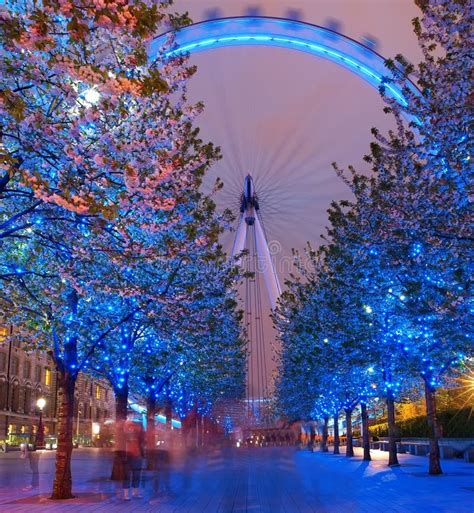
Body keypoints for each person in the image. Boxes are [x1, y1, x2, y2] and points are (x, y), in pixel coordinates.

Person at [122, 419, 145, 501]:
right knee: (128, 476)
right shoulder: (125, 434)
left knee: (136, 475)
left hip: (137, 456)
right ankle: (127, 494)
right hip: (128, 457)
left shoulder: (139, 434)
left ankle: (134, 493)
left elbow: (142, 442)